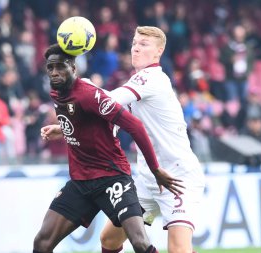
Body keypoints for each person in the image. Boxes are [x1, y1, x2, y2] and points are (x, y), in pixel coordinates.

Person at [33, 44, 183, 253]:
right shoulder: (57, 93)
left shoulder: (88, 94)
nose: (55, 73)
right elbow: (86, 122)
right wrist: (64, 129)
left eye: (61, 67)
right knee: (42, 243)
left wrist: (155, 169)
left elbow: (135, 125)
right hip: (81, 182)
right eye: (50, 68)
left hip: (112, 178)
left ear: (74, 69)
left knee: (140, 243)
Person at [100, 26, 205, 253]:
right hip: (148, 179)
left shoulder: (152, 78)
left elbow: (109, 100)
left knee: (178, 249)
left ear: (158, 52)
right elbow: (110, 117)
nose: (136, 48)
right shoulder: (136, 83)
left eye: (144, 44)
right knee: (109, 239)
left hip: (177, 178)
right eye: (135, 43)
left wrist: (80, 94)